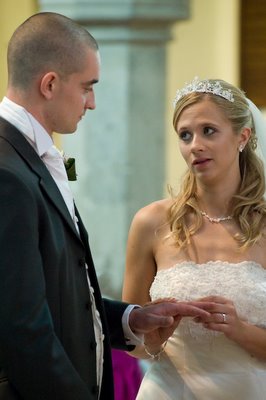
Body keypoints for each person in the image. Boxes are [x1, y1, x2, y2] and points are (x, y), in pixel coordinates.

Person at [0, 14, 214, 400]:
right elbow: (21, 327)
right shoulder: (6, 172)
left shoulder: (29, 158)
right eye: (87, 88)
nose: (93, 103)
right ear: (49, 84)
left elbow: (58, 291)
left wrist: (130, 318)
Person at [122, 76, 266, 400]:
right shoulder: (151, 222)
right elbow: (132, 342)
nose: (194, 145)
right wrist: (154, 339)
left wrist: (239, 331)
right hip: (166, 390)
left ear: (243, 136)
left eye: (208, 131)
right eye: (185, 135)